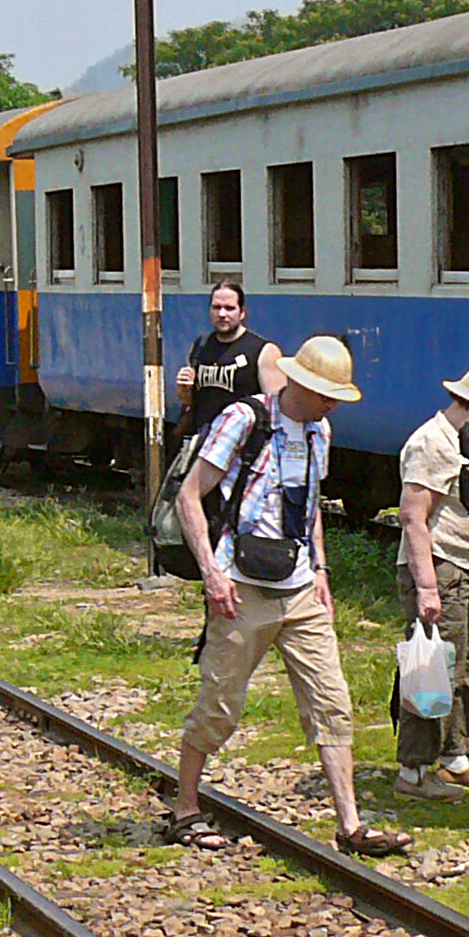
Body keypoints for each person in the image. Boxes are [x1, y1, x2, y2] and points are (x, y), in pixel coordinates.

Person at [167, 335, 410, 858]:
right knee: (220, 705)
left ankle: (350, 825)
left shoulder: (320, 430)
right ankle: (185, 806)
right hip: (241, 585)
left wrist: (320, 567)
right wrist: (211, 571)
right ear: (299, 383)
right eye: (327, 393)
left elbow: (313, 503)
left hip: (299, 586)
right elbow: (191, 494)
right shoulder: (244, 419)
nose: (333, 403)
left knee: (332, 703)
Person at [393, 361, 469, 801]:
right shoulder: (432, 442)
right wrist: (427, 586)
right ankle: (413, 771)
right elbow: (413, 517)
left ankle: (456, 759)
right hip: (440, 566)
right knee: (431, 669)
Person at [175, 281, 285, 437]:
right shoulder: (201, 345)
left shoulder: (263, 351)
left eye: (229, 308)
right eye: (216, 307)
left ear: (242, 312)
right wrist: (184, 388)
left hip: (243, 446)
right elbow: (191, 401)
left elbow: (278, 411)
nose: (222, 314)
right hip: (205, 442)